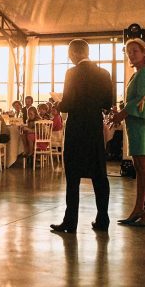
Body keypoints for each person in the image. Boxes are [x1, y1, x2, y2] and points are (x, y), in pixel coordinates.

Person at [51, 39, 114, 233]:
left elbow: (68, 103)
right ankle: (103, 219)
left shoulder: (72, 73)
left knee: (73, 176)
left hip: (77, 127)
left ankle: (71, 221)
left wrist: (58, 104)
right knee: (99, 175)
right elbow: (107, 102)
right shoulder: (104, 73)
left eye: (70, 54)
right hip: (94, 127)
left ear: (74, 53)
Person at [110, 38, 145, 227]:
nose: (131, 55)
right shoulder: (138, 73)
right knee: (139, 166)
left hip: (144, 125)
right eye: (129, 52)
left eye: (135, 51)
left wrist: (121, 114)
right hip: (136, 124)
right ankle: (139, 208)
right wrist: (122, 111)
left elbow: (142, 100)